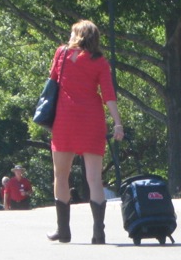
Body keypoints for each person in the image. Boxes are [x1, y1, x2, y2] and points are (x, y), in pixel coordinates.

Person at [46, 20, 124, 244]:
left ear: (77, 35)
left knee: (61, 175)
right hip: (92, 121)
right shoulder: (100, 62)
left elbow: (52, 82)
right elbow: (108, 94)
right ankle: (98, 233)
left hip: (65, 120)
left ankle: (63, 230)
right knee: (94, 179)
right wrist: (117, 123)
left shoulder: (61, 54)